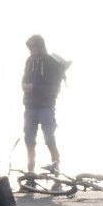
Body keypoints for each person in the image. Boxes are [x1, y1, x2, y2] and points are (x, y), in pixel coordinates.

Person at [21, 34, 70, 174]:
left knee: (49, 139)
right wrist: (24, 86)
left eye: (34, 46)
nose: (31, 50)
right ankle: (30, 172)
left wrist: (34, 88)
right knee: (29, 140)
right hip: (29, 107)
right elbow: (23, 79)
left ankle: (56, 169)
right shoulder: (29, 61)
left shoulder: (50, 62)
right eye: (29, 47)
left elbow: (54, 88)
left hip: (46, 107)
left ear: (40, 46)